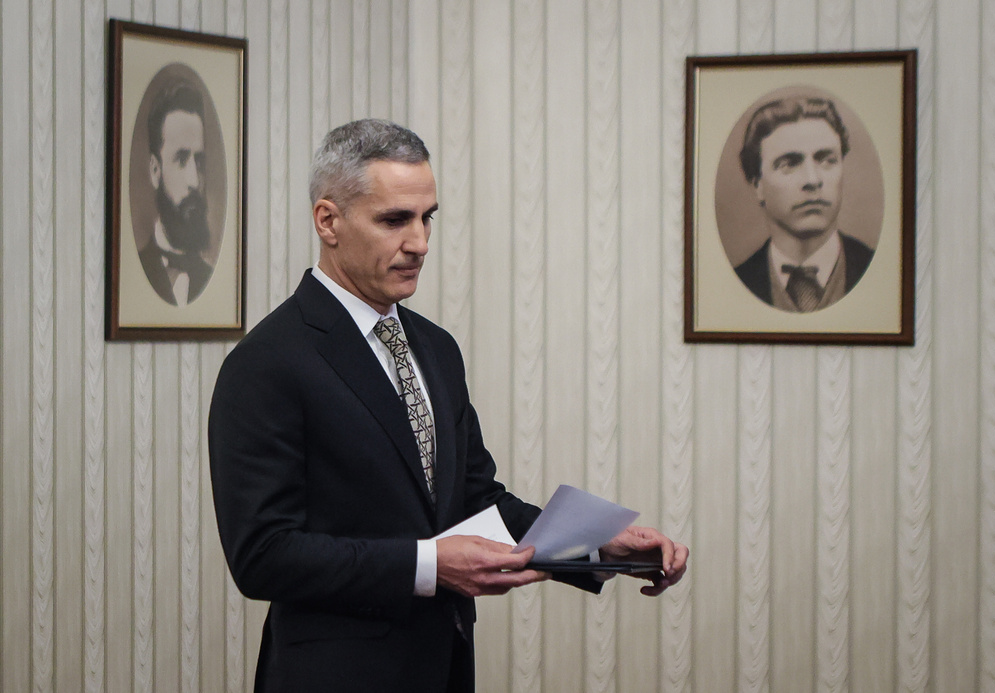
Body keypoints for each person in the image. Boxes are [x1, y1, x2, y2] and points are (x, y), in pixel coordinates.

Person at [208, 119, 688, 693]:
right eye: (394, 220)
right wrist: (431, 566)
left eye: (426, 217)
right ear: (327, 221)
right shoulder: (267, 362)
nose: (420, 243)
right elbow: (263, 555)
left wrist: (595, 545)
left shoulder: (435, 347)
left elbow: (473, 498)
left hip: (442, 668)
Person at [732, 95, 874, 312]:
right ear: (758, 184)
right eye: (789, 164)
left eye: (827, 160)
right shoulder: (737, 282)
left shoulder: (878, 271)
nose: (812, 180)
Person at [136, 79, 214, 306]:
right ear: (155, 170)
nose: (194, 180)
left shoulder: (207, 276)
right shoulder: (141, 267)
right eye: (181, 159)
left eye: (198, 161)